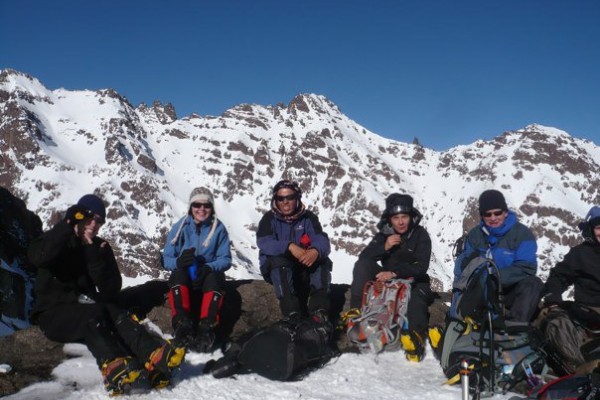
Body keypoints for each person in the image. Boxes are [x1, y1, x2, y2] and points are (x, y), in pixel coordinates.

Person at [28, 194, 185, 396]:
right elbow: (39, 257)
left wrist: (94, 255)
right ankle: (114, 367)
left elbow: (111, 289)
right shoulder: (56, 240)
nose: (94, 224)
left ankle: (154, 357)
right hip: (54, 314)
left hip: (89, 309)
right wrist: (67, 226)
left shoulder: (99, 247)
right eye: (89, 218)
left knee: (114, 311)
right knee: (94, 313)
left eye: (99, 221)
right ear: (77, 216)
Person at [349, 193, 433, 361]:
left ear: (411, 217)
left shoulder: (420, 235)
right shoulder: (384, 235)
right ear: (390, 219)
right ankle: (355, 311)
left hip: (413, 280)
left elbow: (422, 267)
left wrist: (395, 273)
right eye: (396, 218)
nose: (401, 222)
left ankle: (414, 338)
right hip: (387, 279)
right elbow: (364, 257)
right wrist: (384, 247)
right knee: (363, 265)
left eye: (404, 217)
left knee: (417, 300)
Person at [454, 189, 543, 323]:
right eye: (488, 214)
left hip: (511, 289)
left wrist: (495, 275)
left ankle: (515, 327)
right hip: (481, 289)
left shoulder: (522, 234)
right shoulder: (475, 235)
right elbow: (464, 265)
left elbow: (527, 267)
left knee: (533, 284)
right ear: (482, 215)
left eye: (497, 213)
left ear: (505, 212)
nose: (493, 218)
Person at [162, 187, 231, 352]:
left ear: (211, 208)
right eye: (197, 205)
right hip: (187, 277)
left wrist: (209, 267)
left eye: (206, 205)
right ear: (191, 207)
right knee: (177, 275)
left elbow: (225, 259)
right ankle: (181, 325)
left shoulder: (219, 229)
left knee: (215, 277)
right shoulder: (180, 228)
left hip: (207, 278)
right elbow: (166, 259)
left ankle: (207, 327)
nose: (201, 209)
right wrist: (179, 262)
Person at [256, 180, 332, 323]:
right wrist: (289, 246)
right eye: (280, 198)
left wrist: (315, 251)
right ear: (275, 200)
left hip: (302, 268)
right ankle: (292, 314)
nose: (285, 202)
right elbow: (264, 243)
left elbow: (321, 239)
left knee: (322, 261)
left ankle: (320, 312)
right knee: (279, 262)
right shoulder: (269, 219)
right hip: (277, 268)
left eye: (290, 197)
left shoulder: (308, 218)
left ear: (297, 198)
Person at [541, 206, 600, 374]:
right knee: (554, 324)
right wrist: (553, 298)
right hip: (586, 312)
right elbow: (558, 277)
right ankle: (581, 371)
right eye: (598, 227)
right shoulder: (580, 254)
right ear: (590, 229)